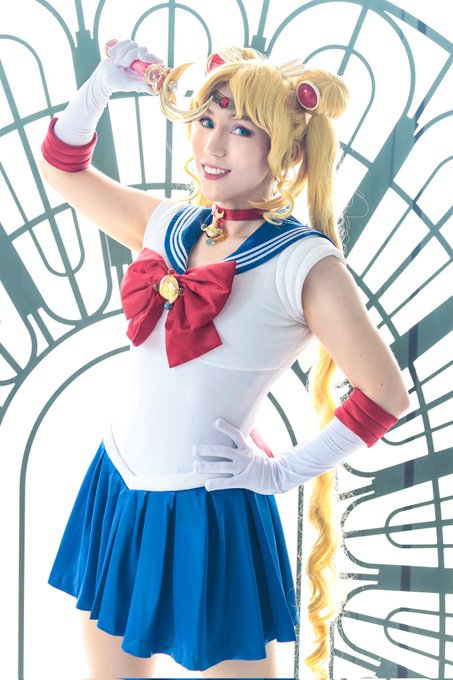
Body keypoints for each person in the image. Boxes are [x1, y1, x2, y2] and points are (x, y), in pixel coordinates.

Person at [39, 39, 409, 680]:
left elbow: (384, 395)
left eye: (240, 130)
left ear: (285, 151)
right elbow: (63, 167)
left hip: (210, 509)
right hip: (117, 484)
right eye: (206, 120)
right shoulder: (170, 224)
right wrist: (99, 86)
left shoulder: (304, 262)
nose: (212, 144)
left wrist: (281, 473)